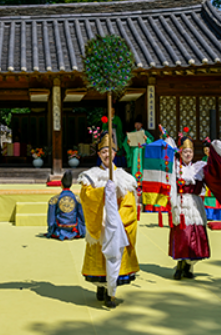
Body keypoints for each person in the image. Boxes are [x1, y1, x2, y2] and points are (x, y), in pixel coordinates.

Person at [77, 132, 138, 308]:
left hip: (117, 221)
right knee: (99, 256)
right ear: (98, 154)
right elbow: (86, 196)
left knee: (115, 256)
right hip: (99, 219)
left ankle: (111, 292)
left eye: (109, 151)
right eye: (103, 151)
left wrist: (118, 216)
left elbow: (129, 202)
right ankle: (101, 286)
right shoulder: (91, 175)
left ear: (114, 153)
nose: (106, 155)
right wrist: (102, 192)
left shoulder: (124, 177)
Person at [169, 130, 211, 280]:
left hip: (195, 203)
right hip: (181, 203)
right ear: (180, 152)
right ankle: (180, 266)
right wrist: (173, 205)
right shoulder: (175, 168)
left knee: (196, 235)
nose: (188, 154)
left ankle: (188, 267)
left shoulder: (199, 168)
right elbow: (171, 187)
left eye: (190, 152)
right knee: (184, 235)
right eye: (185, 151)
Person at [46, 171, 85, 240]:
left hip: (59, 227)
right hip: (73, 227)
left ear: (61, 184)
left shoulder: (54, 199)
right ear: (71, 184)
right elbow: (82, 216)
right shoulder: (77, 198)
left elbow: (51, 218)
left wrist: (50, 230)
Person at [201, 140, 221, 221]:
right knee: (208, 198)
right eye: (205, 151)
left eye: (207, 150)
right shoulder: (204, 158)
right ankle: (209, 215)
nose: (206, 152)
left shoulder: (218, 158)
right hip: (208, 181)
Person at [123, 115, 153, 184]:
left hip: (143, 152)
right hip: (134, 152)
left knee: (142, 167)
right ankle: (134, 182)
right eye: (136, 124)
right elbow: (125, 144)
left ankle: (142, 182)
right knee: (134, 167)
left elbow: (151, 142)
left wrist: (147, 139)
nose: (137, 125)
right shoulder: (132, 133)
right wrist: (127, 142)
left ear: (141, 125)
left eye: (139, 124)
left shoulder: (145, 133)